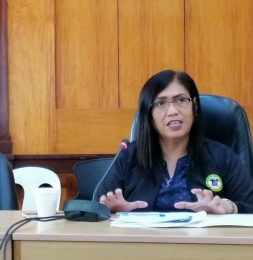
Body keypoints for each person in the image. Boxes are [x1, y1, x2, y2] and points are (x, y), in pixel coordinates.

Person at [97, 70, 253, 214]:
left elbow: (250, 205)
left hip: (206, 243)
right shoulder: (129, 156)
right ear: (148, 115)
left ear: (195, 106)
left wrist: (228, 207)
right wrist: (111, 211)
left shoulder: (223, 157)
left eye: (181, 100)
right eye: (160, 103)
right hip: (142, 243)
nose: (173, 111)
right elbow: (94, 207)